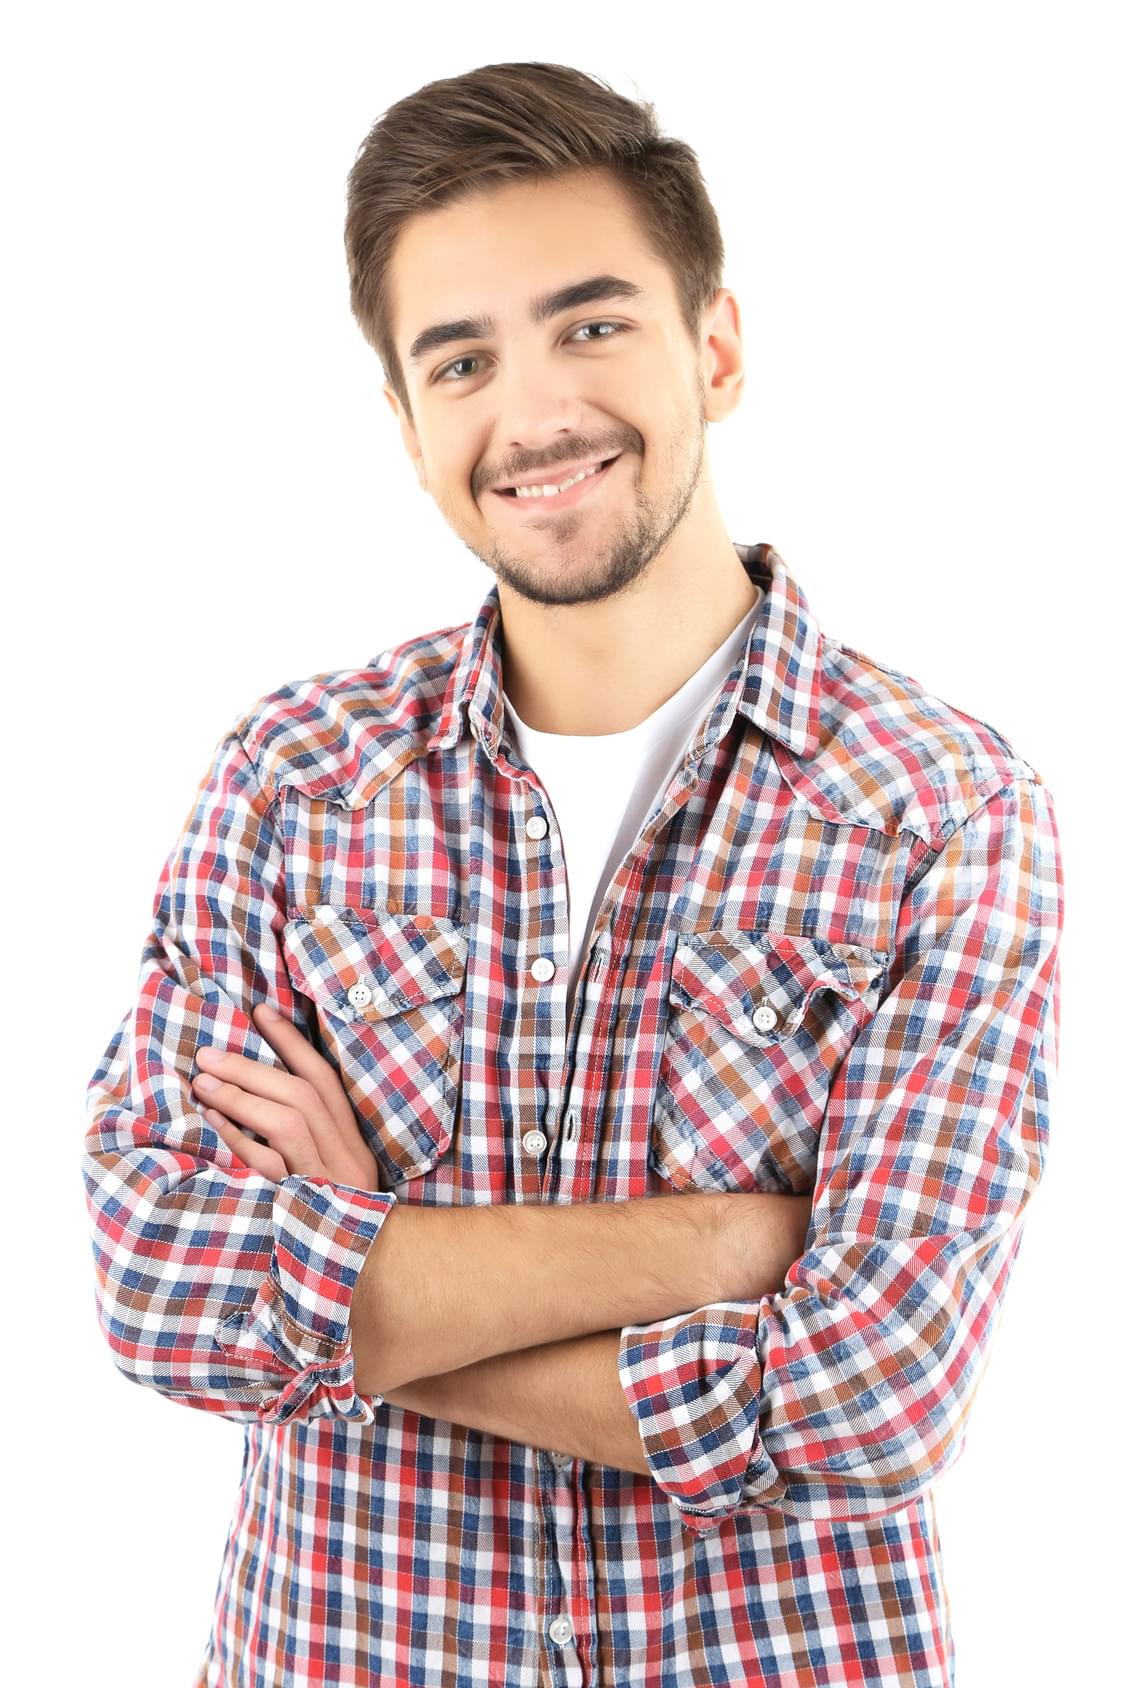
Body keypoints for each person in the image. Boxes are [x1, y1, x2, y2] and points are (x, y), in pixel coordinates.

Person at [82, 61, 1063, 1688]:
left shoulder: (937, 808)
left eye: (590, 325)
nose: (533, 415)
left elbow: (873, 1393)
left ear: (714, 349)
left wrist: (351, 1274)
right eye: (461, 360)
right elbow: (162, 1283)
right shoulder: (294, 781)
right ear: (407, 427)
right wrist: (723, 1248)